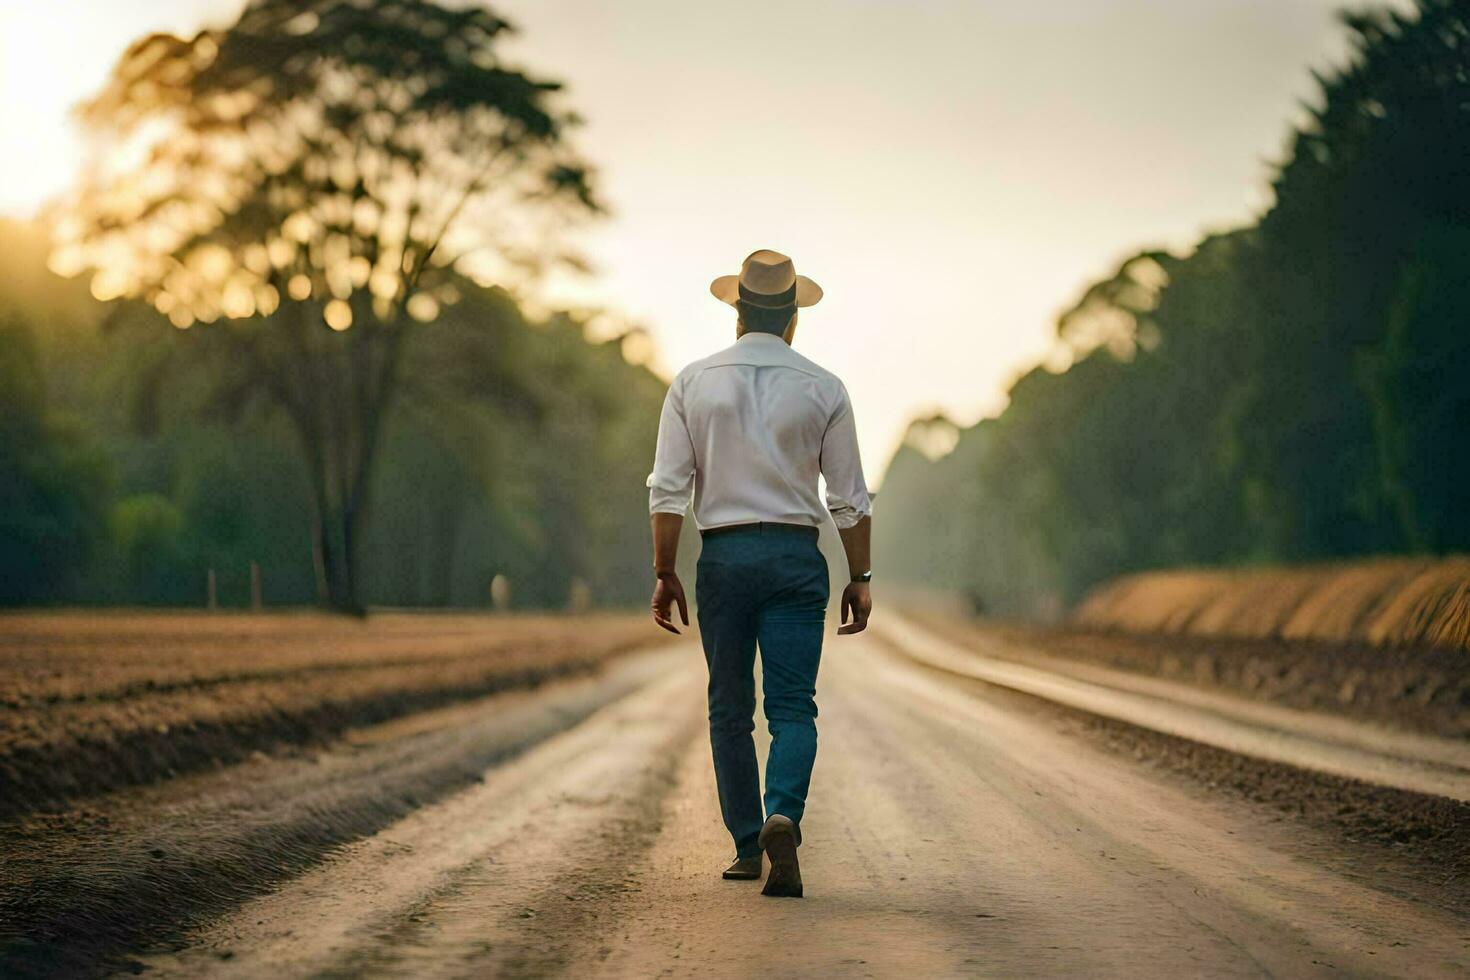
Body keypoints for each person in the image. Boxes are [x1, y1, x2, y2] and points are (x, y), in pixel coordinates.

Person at [645, 249, 873, 898]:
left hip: (723, 556)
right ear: (794, 315)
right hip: (797, 560)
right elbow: (849, 498)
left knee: (729, 707)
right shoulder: (824, 387)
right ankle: (784, 815)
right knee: (793, 705)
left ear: (737, 312)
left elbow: (667, 489)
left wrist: (665, 570)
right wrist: (861, 575)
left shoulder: (693, 382)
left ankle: (747, 845)